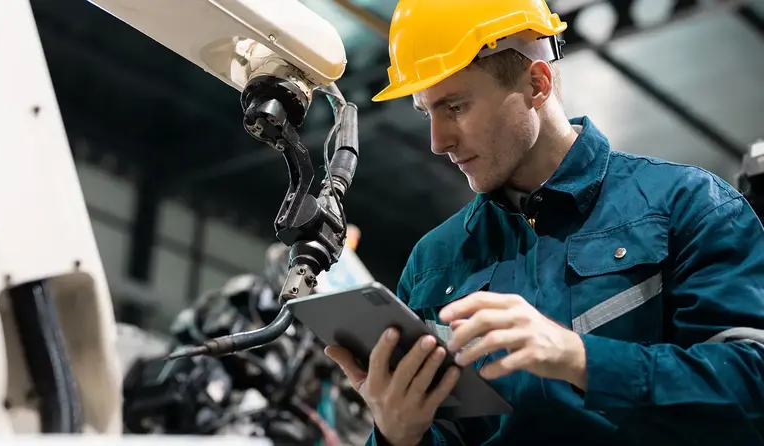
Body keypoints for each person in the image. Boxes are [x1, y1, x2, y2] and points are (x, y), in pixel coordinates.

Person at [323, 0, 764, 445]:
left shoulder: (687, 205)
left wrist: (579, 359)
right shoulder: (434, 262)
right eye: (427, 112)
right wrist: (398, 435)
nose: (438, 142)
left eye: (455, 107)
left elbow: (752, 386)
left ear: (537, 83)